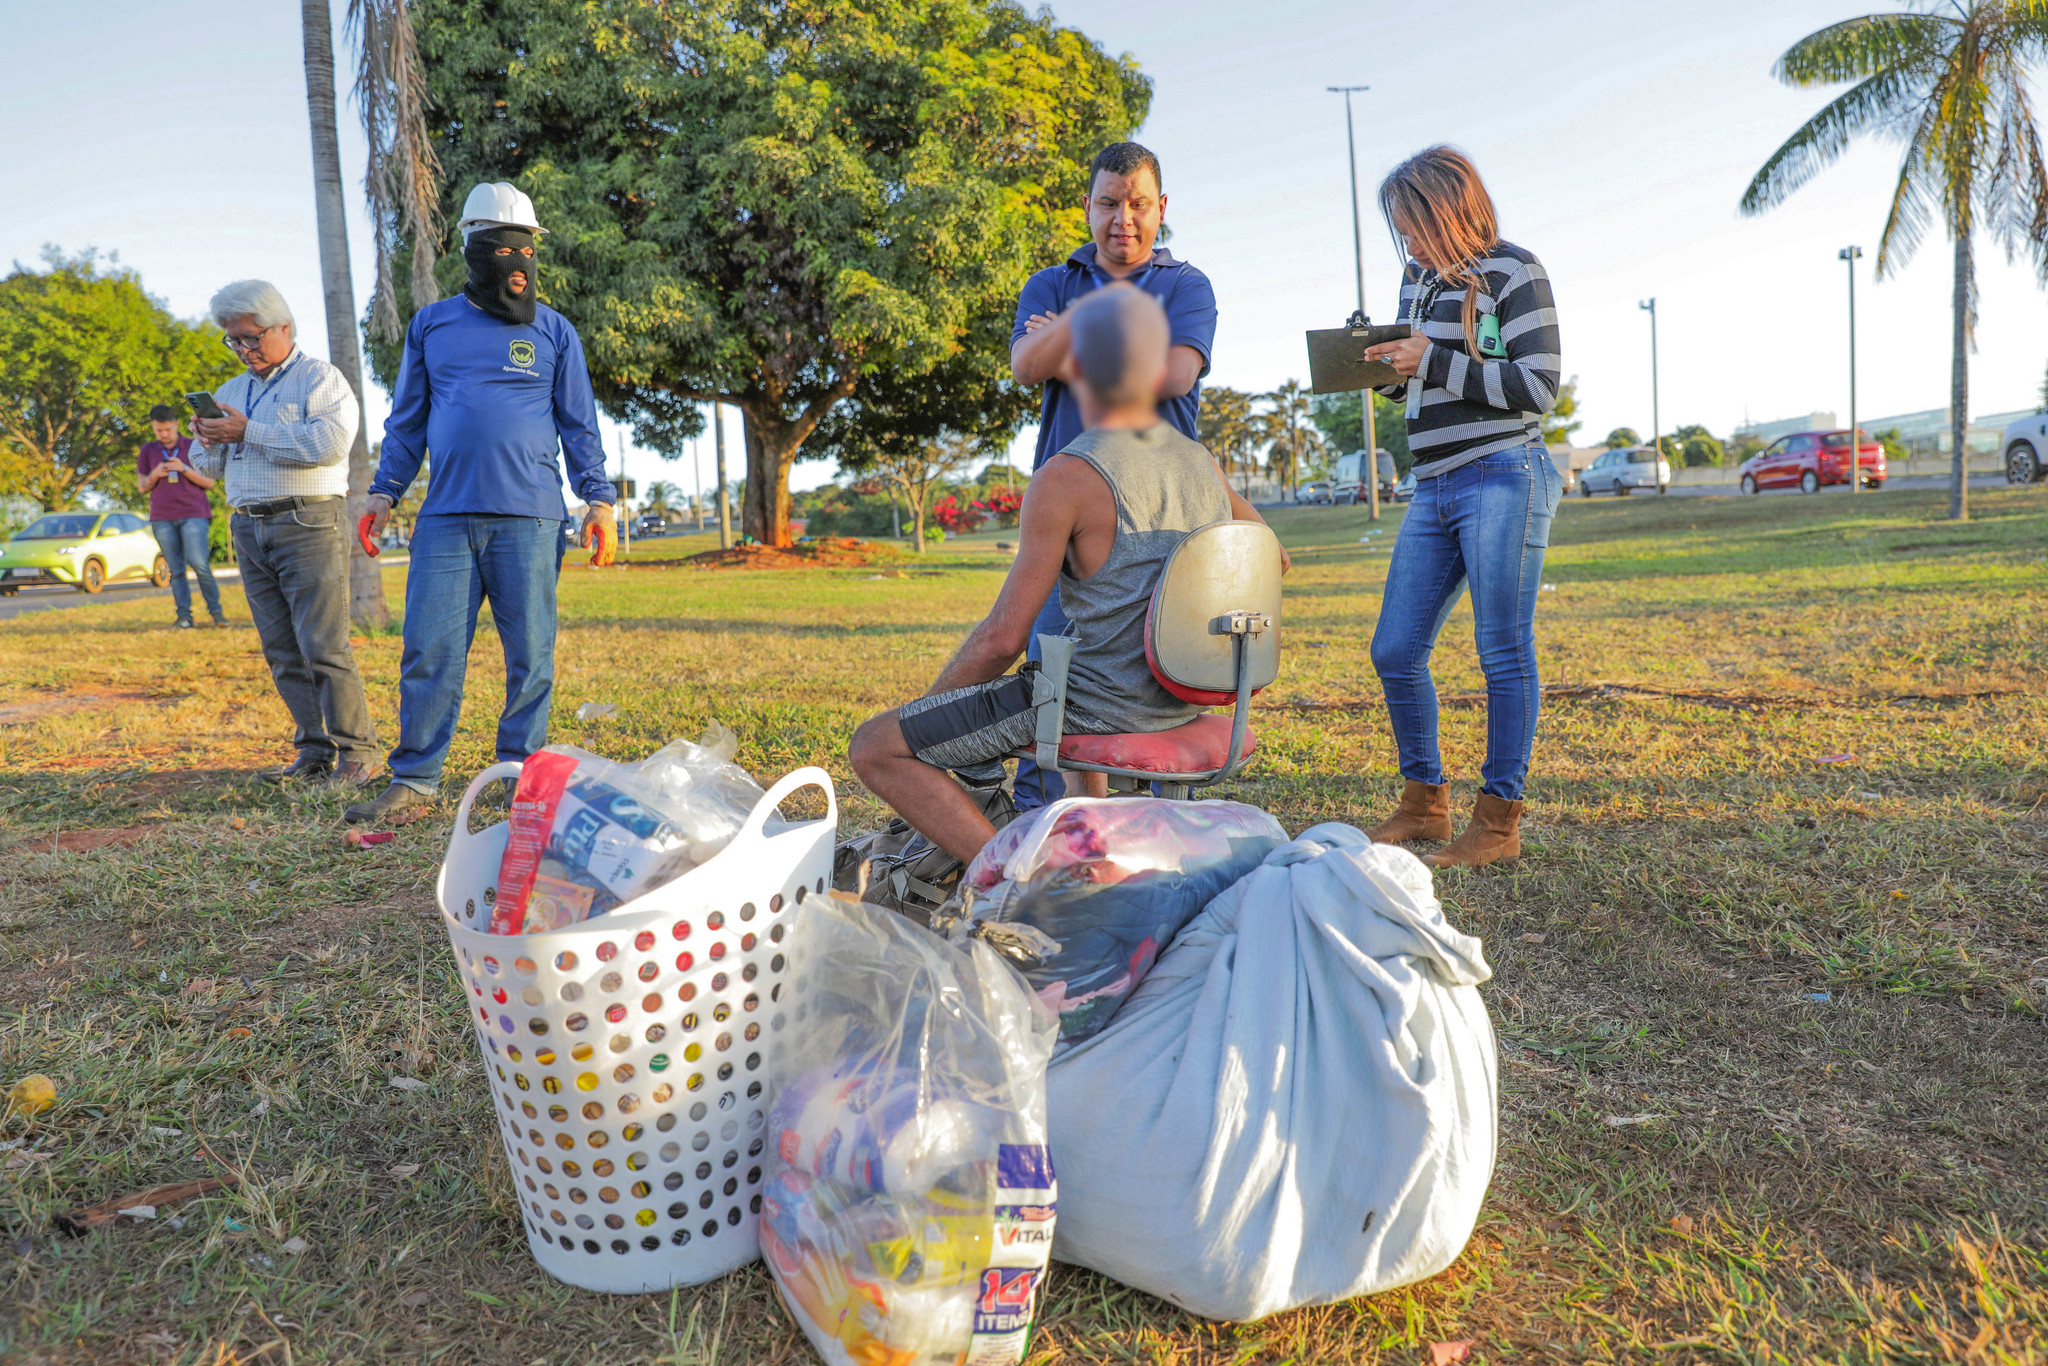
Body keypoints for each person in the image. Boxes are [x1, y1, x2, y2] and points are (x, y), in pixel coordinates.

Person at [851, 286, 1238, 864]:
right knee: (1070, 674)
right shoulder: (1201, 464)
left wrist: (925, 716)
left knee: (876, 747)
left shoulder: (1068, 475)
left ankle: (1017, 887)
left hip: (1094, 704)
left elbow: (1003, 638)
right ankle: (1086, 855)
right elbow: (1268, 555)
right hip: (1180, 700)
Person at [1008, 141, 1271, 810]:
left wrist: (1069, 339)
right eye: (1107, 203)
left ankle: (1165, 816)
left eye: (1138, 204)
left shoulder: (1186, 285)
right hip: (1072, 511)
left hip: (1166, 513)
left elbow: (1177, 375)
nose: (1122, 218)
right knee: (1051, 668)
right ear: (1087, 206)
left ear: (1162, 210)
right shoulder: (1051, 281)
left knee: (1165, 673)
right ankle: (1051, 822)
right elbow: (1025, 365)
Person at [346, 181, 619, 826]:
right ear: (472, 250)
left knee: (531, 654)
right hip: (445, 519)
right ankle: (415, 780)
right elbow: (408, 419)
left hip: (531, 517)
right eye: (501, 251)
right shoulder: (432, 324)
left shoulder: (555, 332)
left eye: (526, 251)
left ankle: (522, 776)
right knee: (429, 649)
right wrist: (384, 492)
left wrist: (599, 502)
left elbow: (579, 425)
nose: (516, 265)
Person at [1359, 147, 1563, 868]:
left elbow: (1538, 386)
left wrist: (1431, 360)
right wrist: (1382, 367)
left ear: (1448, 209)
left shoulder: (1515, 270)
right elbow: (1421, 384)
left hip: (1505, 473)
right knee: (1395, 648)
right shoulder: (1417, 282)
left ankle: (1499, 822)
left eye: (1413, 225)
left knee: (1503, 650)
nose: (1407, 242)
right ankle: (1425, 805)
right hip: (1434, 481)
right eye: (1401, 230)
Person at [187, 280, 381, 788]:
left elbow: (329, 443)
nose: (244, 349)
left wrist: (247, 430)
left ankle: (357, 754)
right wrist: (204, 436)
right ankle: (314, 751)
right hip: (248, 524)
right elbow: (207, 467)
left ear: (284, 327)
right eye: (234, 341)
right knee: (279, 647)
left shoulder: (321, 379)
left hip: (307, 520)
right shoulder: (230, 393)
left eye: (252, 338)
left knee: (322, 643)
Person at [136, 404, 226, 628]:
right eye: (159, 430)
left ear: (176, 424)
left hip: (193, 514)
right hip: (162, 517)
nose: (164, 434)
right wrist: (156, 473)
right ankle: (184, 617)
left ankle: (217, 613)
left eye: (167, 429)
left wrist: (184, 468)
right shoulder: (148, 451)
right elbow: (141, 487)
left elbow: (209, 482)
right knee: (176, 569)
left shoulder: (192, 445)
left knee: (199, 564)